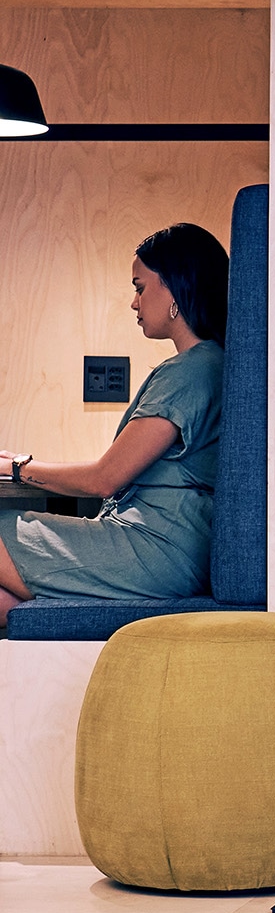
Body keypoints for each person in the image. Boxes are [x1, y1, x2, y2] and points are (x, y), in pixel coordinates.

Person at [0, 223, 229, 630]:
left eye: (140, 287)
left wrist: (16, 467)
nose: (134, 302)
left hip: (157, 550)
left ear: (175, 287)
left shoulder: (192, 370)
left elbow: (103, 479)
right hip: (171, 547)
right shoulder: (207, 364)